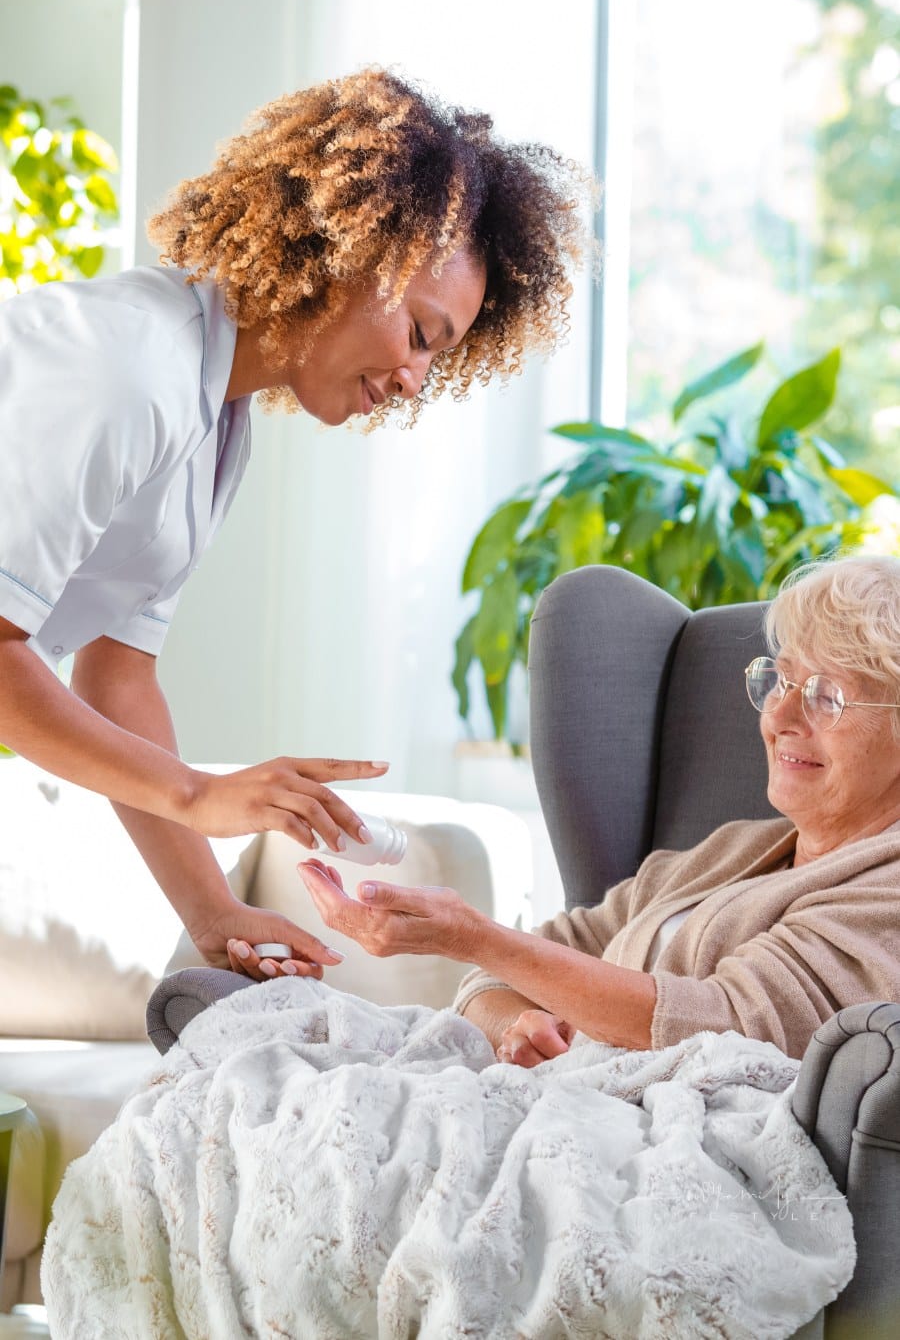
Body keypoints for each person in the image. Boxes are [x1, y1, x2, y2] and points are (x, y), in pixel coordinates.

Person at [0, 68, 590, 978]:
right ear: (347, 253)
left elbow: (115, 679)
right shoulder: (126, 371)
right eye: (423, 336)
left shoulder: (213, 425)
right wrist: (199, 794)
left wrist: (216, 914)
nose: (414, 383)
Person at [294, 553, 900, 1061]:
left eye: (826, 696)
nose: (782, 716)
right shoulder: (729, 852)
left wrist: (475, 937)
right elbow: (510, 968)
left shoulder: (886, 893)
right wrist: (514, 1024)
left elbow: (728, 1025)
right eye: (784, 680)